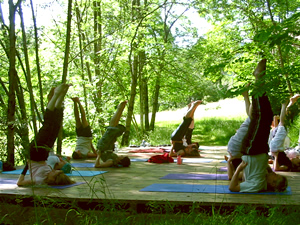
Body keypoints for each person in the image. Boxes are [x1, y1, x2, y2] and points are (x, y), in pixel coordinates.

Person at [229, 59, 288, 193]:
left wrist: (240, 168)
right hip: (260, 150)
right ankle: (260, 81)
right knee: (266, 116)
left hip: (252, 149)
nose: (273, 174)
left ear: (271, 185)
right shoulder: (264, 177)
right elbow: (264, 170)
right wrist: (266, 167)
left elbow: (233, 188)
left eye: (274, 178)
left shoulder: (257, 184)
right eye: (276, 175)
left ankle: (258, 78)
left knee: (259, 115)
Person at [17, 84, 75, 186]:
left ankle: (56, 95)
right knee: (56, 127)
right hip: (43, 154)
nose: (52, 171)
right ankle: (61, 98)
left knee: (48, 125)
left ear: (52, 180)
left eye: (54, 173)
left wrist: (26, 167)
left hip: (35, 153)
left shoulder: (39, 180)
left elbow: (20, 183)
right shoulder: (49, 174)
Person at [94, 101, 131, 168]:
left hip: (104, 145)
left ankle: (120, 108)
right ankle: (120, 109)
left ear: (120, 161)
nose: (121, 155)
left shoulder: (111, 161)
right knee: (118, 129)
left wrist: (98, 155)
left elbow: (97, 166)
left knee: (112, 127)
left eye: (122, 157)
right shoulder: (115, 159)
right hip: (109, 145)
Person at [225, 87, 251, 180]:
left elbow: (230, 177)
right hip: (236, 149)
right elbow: (230, 176)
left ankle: (246, 95)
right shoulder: (243, 172)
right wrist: (229, 161)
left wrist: (228, 162)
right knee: (251, 118)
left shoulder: (241, 172)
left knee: (252, 118)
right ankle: (246, 95)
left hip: (236, 148)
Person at [270, 94, 300, 171]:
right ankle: (290, 103)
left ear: (296, 165)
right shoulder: (288, 162)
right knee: (282, 122)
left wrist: (276, 157)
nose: (297, 157)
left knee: (282, 123)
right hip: (276, 147)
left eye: (298, 160)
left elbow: (276, 168)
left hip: (277, 147)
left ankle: (284, 105)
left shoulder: (288, 166)